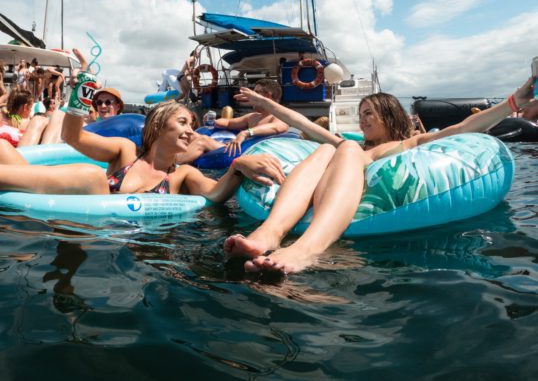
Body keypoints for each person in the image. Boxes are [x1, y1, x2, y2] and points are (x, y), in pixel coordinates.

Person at [224, 76, 537, 275]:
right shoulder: (352, 144)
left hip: (363, 195)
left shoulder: (409, 144)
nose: (362, 122)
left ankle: (308, 248)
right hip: (331, 187)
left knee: (344, 149)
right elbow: (307, 127)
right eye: (360, 116)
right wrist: (267, 104)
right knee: (325, 149)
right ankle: (269, 234)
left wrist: (513, 103)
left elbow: (462, 128)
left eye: (369, 114)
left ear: (389, 115)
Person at [0, 82, 283, 200]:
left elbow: (215, 196)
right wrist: (78, 104)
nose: (190, 130)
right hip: (56, 203)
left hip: (93, 231)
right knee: (0, 148)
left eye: (193, 125)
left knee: (93, 179)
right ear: (158, 127)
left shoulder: (181, 177)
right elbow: (72, 136)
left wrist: (239, 165)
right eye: (183, 122)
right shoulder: (125, 151)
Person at [176, 78, 289, 164]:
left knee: (203, 141)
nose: (251, 96)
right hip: (237, 149)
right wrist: (213, 121)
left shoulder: (279, 117)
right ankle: (168, 157)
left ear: (268, 96)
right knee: (193, 135)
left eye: (256, 93)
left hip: (248, 154)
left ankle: (171, 165)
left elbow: (278, 127)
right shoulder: (253, 117)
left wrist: (245, 133)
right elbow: (229, 123)